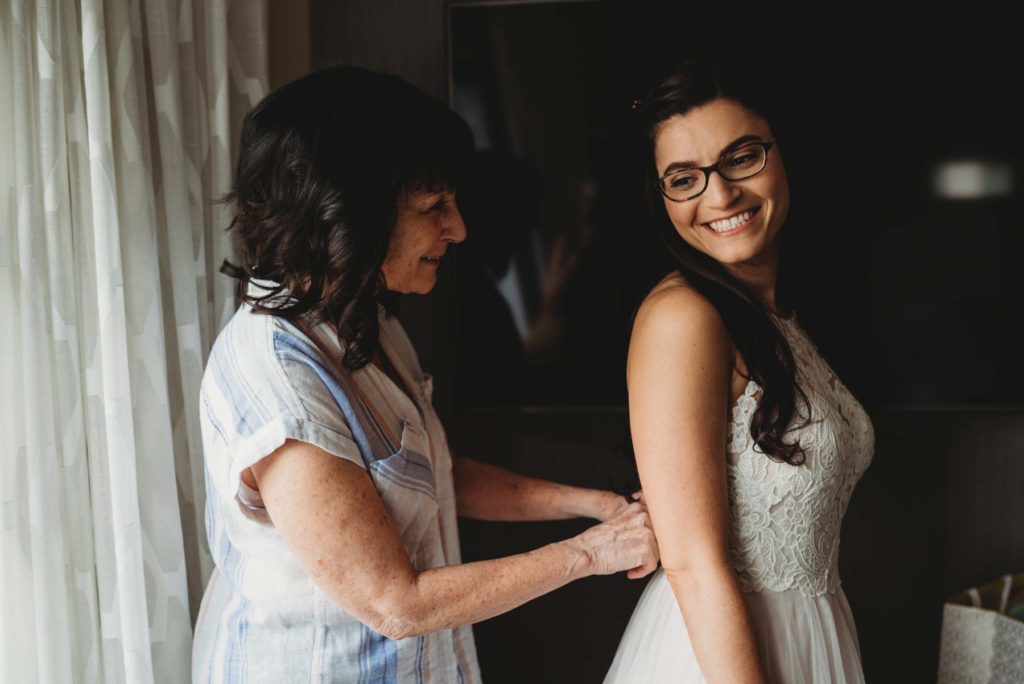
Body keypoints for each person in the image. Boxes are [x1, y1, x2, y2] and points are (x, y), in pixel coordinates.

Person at [191, 65, 660, 683]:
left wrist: (593, 505)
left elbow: (435, 476)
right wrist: (590, 554)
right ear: (350, 211)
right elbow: (395, 601)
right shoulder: (278, 376)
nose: (459, 228)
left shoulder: (366, 322)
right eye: (434, 206)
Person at [604, 59, 875, 683]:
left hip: (813, 632)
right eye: (683, 178)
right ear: (660, 197)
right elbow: (693, 562)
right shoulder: (683, 317)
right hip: (719, 658)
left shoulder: (779, 317)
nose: (720, 195)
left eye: (742, 157)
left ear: (784, 154)